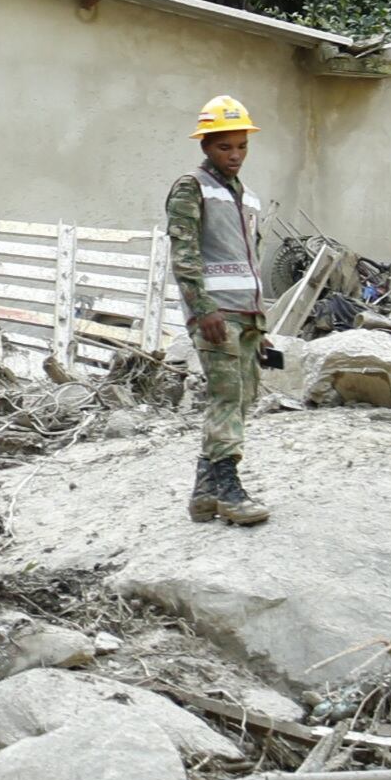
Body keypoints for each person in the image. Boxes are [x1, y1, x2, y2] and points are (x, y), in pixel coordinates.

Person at [169, 95, 272, 525]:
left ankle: (204, 495)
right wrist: (202, 308)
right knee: (227, 398)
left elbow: (251, 261)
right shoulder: (191, 188)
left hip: (245, 316)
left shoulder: (246, 198)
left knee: (243, 398)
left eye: (241, 146)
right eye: (224, 147)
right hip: (216, 316)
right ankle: (229, 491)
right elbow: (184, 254)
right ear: (205, 147)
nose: (235, 155)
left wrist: (260, 323)